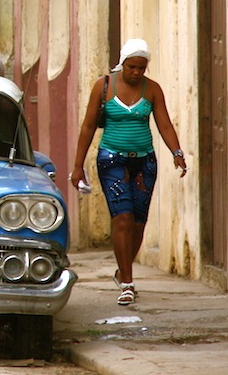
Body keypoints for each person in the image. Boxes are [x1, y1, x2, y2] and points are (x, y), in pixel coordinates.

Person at [69, 38, 187, 306]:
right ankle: (127, 284)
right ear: (122, 64)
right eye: (131, 67)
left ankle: (123, 270)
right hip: (112, 161)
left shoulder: (152, 89)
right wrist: (77, 166)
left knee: (138, 223)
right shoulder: (103, 86)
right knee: (122, 218)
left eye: (141, 68)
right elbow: (88, 126)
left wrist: (176, 152)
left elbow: (164, 124)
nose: (136, 72)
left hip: (144, 163)